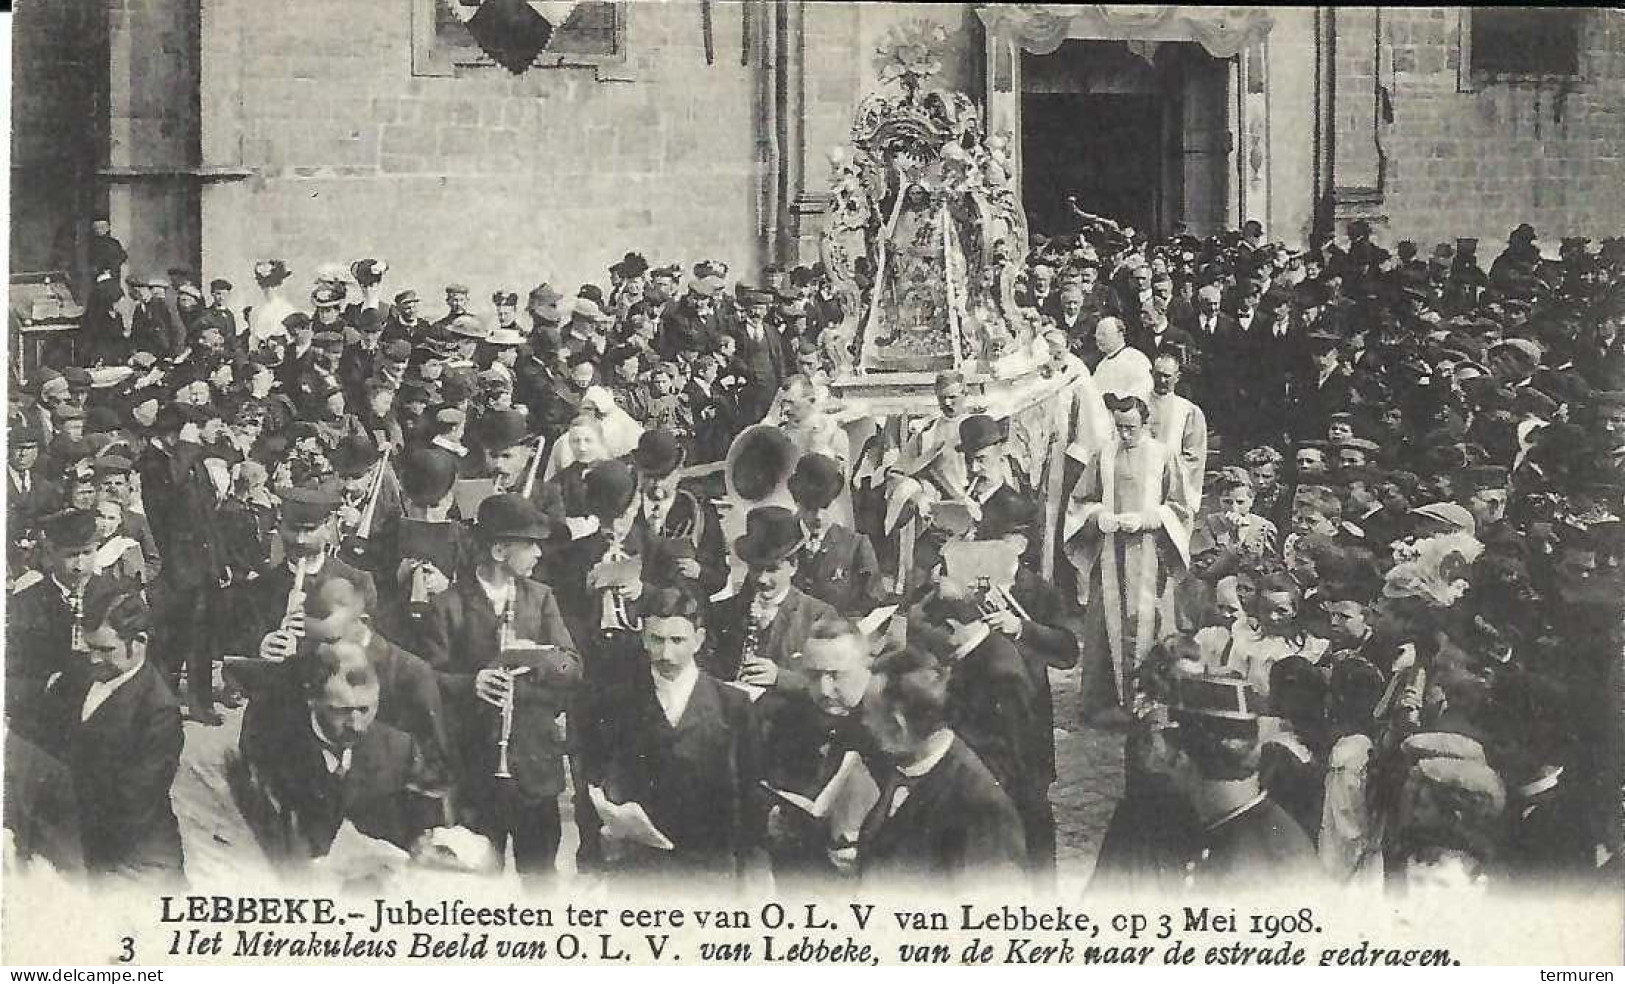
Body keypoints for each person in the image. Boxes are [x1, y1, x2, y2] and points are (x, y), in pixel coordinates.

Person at [419, 493, 581, 882]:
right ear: (498, 550)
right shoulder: (448, 605)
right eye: (530, 545)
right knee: (473, 880)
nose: (539, 554)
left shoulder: (541, 599)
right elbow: (426, 678)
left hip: (534, 771)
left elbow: (572, 666)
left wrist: (542, 658)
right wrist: (470, 683)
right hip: (475, 771)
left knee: (541, 880)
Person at [580, 585, 762, 882]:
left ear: (699, 640)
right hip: (636, 870)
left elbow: (750, 794)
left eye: (678, 640)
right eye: (657, 640)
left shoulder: (733, 705)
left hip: (712, 869)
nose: (666, 653)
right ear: (643, 638)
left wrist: (748, 874)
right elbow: (592, 784)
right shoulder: (614, 704)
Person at [33, 590, 184, 882]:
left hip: (135, 858)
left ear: (139, 642)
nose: (92, 660)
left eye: (105, 650)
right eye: (89, 647)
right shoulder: (76, 677)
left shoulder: (159, 711)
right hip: (72, 837)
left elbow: (134, 805)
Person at [1064, 394, 1192, 722]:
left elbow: (1181, 505)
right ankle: (1105, 703)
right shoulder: (1104, 454)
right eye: (1119, 427)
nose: (1125, 434)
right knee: (1105, 622)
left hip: (1150, 555)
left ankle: (1149, 701)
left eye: (1131, 427)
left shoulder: (1163, 455)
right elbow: (1080, 499)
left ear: (1145, 423)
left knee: (1148, 622)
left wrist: (1150, 518)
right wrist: (1097, 516)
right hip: (1110, 555)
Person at [857, 646, 1026, 885]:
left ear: (899, 724)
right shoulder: (903, 762)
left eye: (871, 713)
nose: (865, 722)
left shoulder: (981, 807)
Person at [1145, 672, 1322, 888]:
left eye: (1161, 752)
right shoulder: (1265, 825)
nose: (1155, 763)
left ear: (1182, 758)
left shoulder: (1242, 871)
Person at [756, 614, 882, 885]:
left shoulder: (894, 727)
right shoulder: (789, 717)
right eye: (813, 676)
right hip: (799, 874)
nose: (825, 689)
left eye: (836, 675)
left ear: (867, 666)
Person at [707, 505, 838, 687]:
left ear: (793, 566)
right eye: (756, 568)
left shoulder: (819, 615)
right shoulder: (722, 612)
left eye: (772, 569)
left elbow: (830, 681)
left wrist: (780, 677)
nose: (762, 579)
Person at [787, 452, 881, 616]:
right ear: (797, 503)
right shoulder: (779, 541)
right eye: (810, 507)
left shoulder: (856, 545)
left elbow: (872, 607)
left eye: (825, 506)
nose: (818, 516)